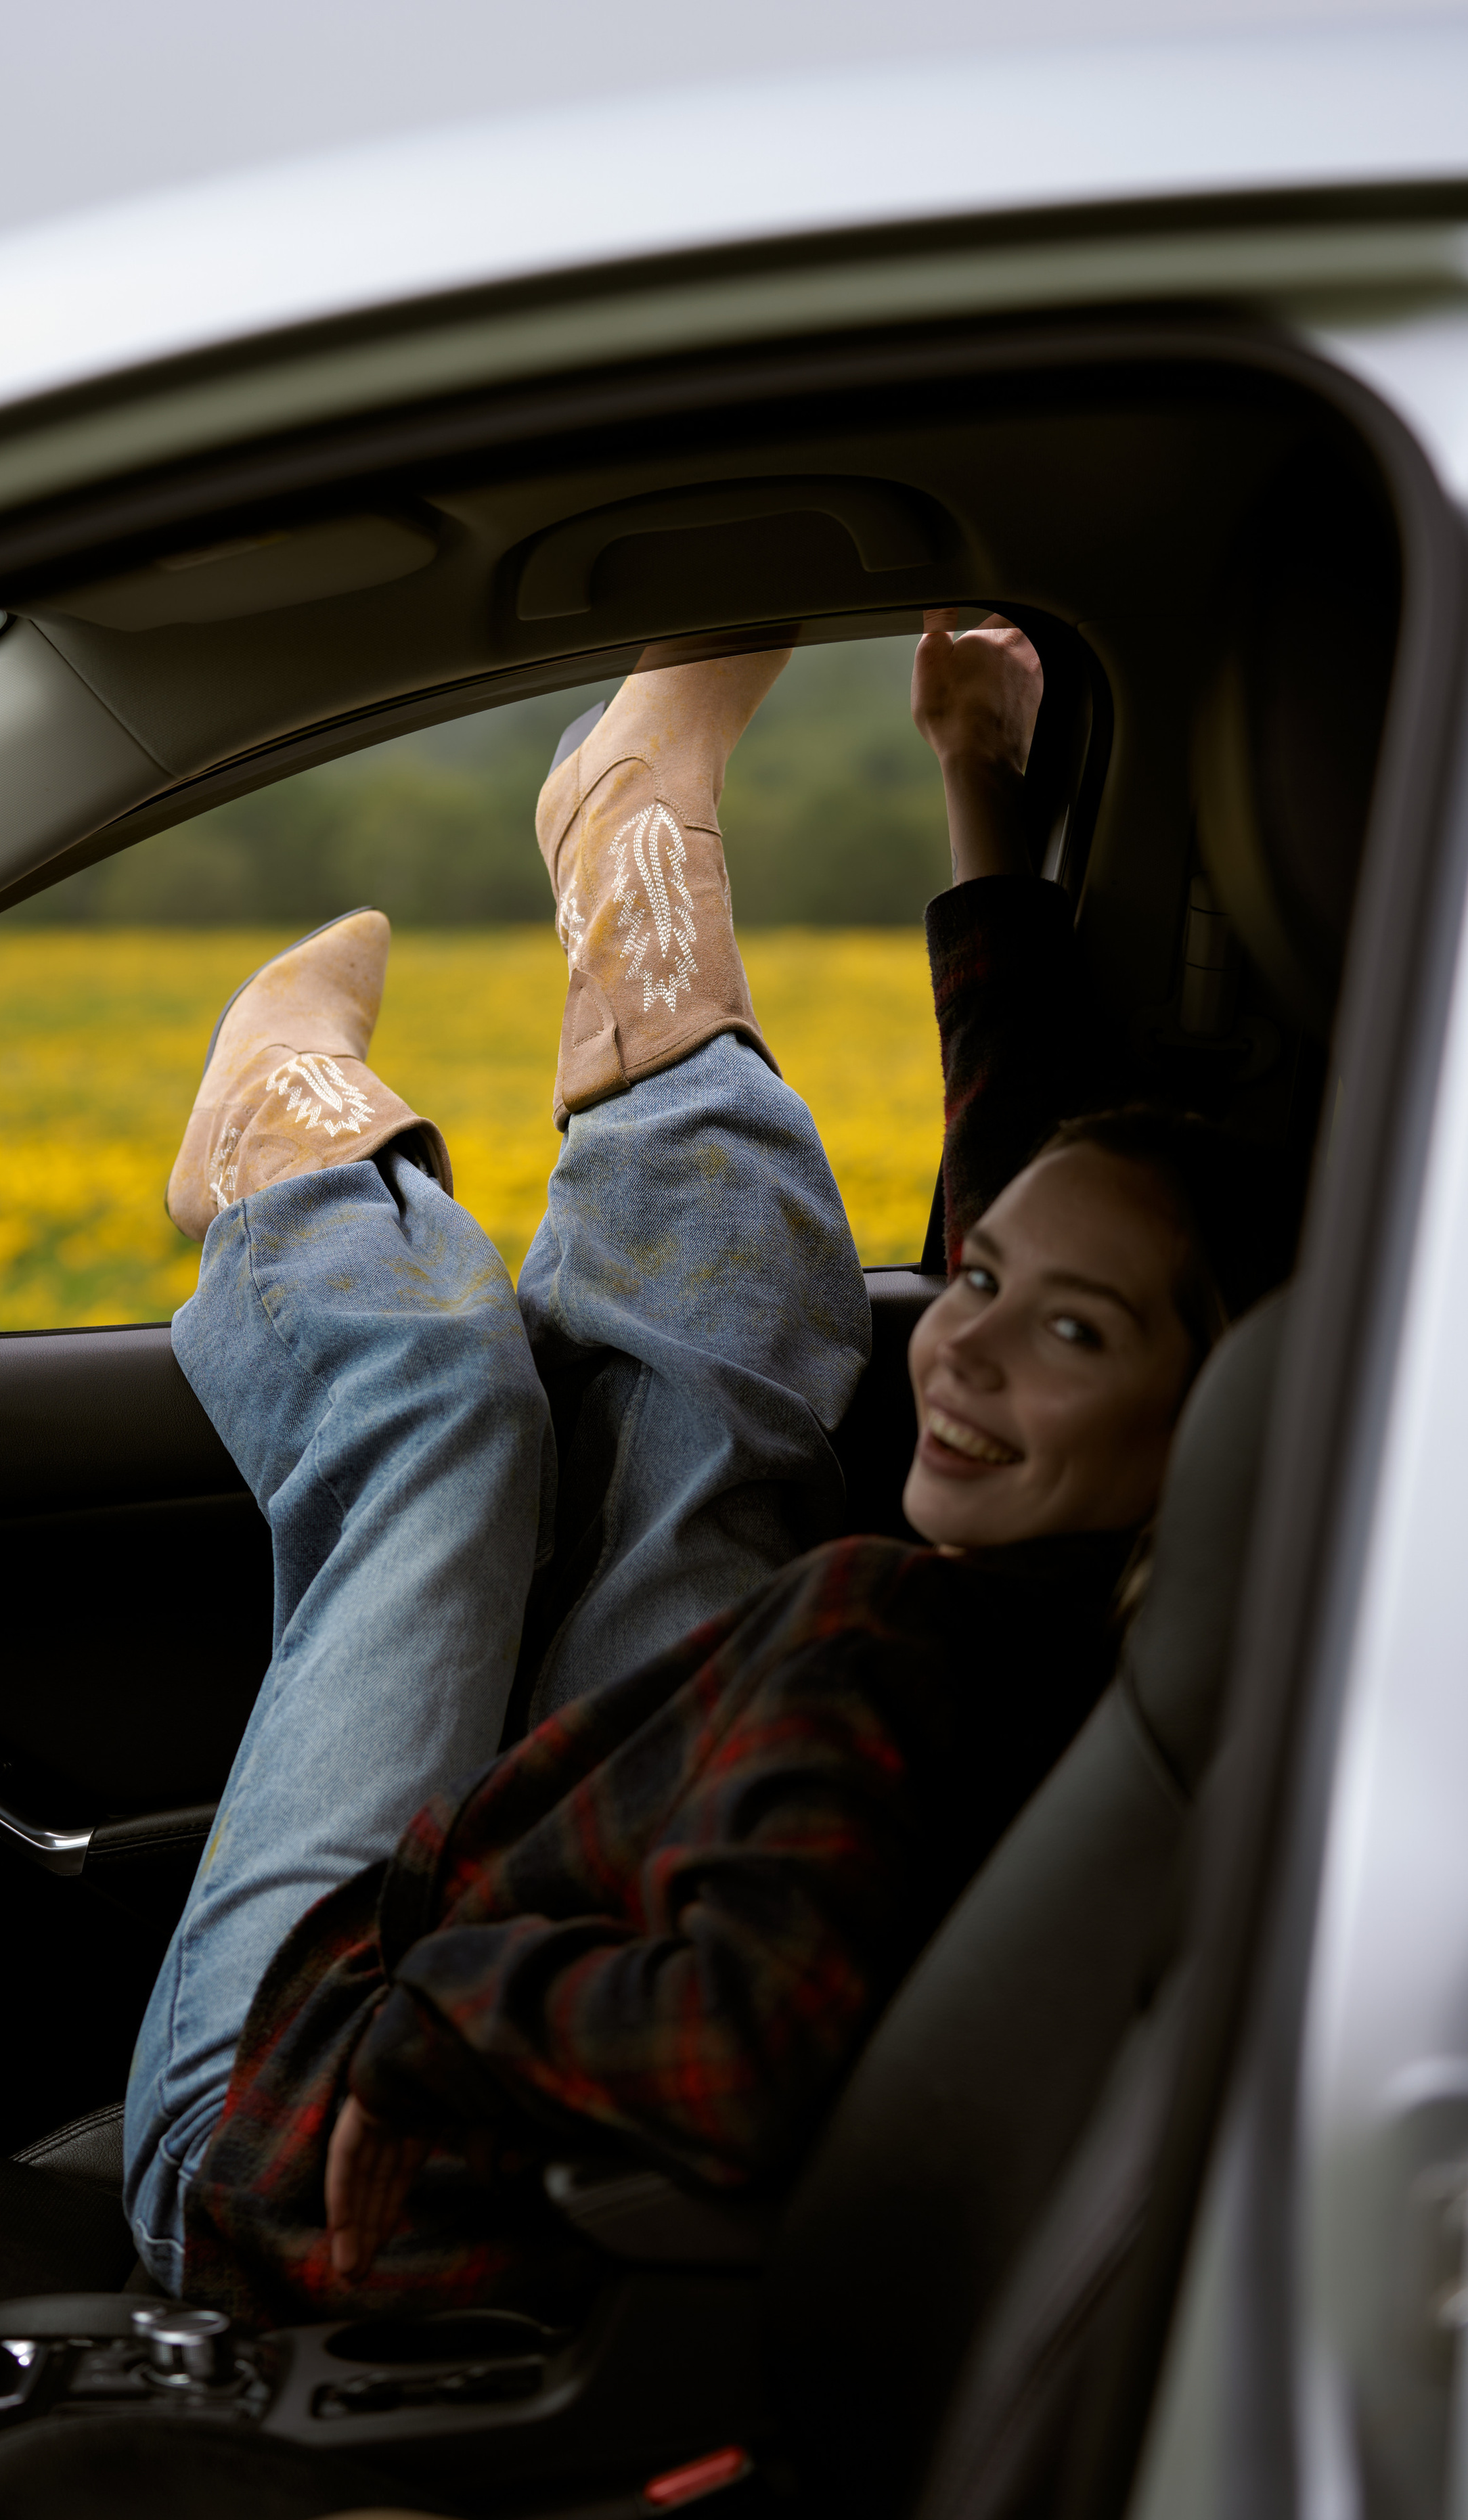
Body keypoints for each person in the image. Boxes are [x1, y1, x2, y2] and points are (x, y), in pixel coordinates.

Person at [123, 621, 1250, 2322]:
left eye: (1069, 1336)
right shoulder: (1162, 1629)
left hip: (273, 2149)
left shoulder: (885, 1643)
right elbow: (1045, 1180)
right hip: (584, 1905)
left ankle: (280, 1158)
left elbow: (734, 2052)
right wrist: (979, 796)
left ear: (1215, 1411)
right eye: (983, 1281)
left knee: (450, 1425)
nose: (960, 1342)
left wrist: (442, 2016)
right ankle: (633, 859)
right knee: (737, 1368)